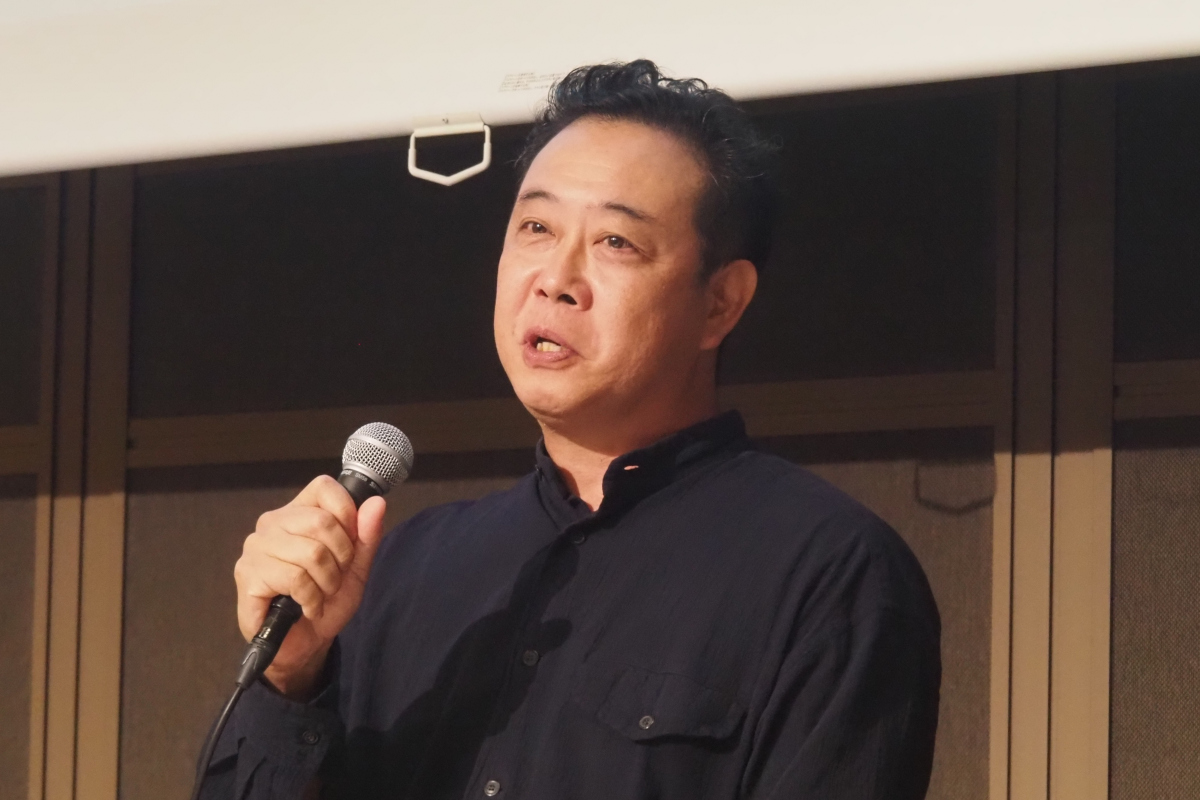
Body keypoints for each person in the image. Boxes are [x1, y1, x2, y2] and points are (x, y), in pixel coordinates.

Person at [201, 60, 940, 799]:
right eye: (536, 227)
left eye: (616, 241)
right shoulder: (402, 569)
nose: (556, 278)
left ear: (721, 302)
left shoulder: (830, 574)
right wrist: (291, 672)